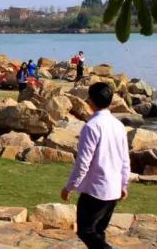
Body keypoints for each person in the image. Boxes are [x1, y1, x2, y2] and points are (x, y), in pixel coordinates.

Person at [61, 82, 130, 249]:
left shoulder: (91, 127)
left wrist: (69, 187)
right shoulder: (118, 125)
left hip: (96, 190)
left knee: (85, 231)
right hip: (113, 188)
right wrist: (123, 184)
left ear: (90, 101)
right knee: (98, 231)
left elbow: (83, 162)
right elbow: (125, 159)